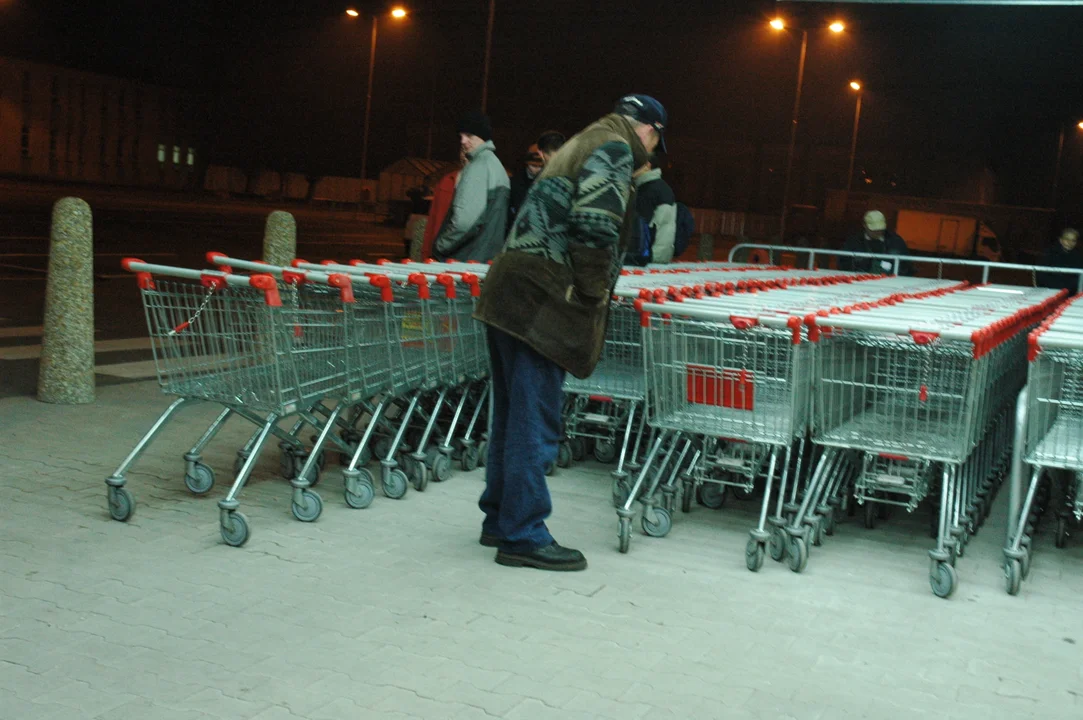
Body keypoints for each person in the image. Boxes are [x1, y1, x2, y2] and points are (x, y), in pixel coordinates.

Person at [474, 93, 666, 571]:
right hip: (543, 299)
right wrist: (590, 293)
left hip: (509, 291)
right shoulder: (616, 149)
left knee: (512, 413)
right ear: (649, 130)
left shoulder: (583, 139)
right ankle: (523, 534)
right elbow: (596, 225)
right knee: (533, 419)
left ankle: (500, 518)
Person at [432, 111, 510, 262]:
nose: (463, 141)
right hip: (485, 258)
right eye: (461, 136)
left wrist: (440, 246)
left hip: (465, 260)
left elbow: (464, 222)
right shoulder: (495, 166)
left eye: (469, 136)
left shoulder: (477, 167)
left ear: (482, 136)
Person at [626, 154, 677, 264]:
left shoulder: (652, 189)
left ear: (647, 165)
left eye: (634, 163)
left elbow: (663, 226)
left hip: (647, 258)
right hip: (650, 255)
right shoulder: (650, 187)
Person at [840, 210, 913, 275]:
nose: (877, 232)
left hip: (890, 283)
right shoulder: (853, 242)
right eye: (874, 229)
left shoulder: (896, 241)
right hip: (859, 281)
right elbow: (843, 262)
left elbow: (907, 266)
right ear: (864, 225)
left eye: (880, 229)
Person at [508, 144, 544, 231]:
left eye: (539, 166)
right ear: (527, 163)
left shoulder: (545, 182)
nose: (536, 169)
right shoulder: (515, 182)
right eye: (533, 165)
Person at [1038, 227, 1083, 293]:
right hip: (1048, 291)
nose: (1070, 242)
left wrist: (1067, 289)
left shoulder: (1078, 257)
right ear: (1060, 240)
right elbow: (1041, 275)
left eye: (1073, 240)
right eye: (1067, 239)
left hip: (1070, 293)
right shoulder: (1048, 254)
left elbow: (1079, 278)